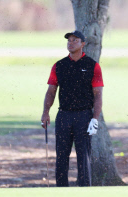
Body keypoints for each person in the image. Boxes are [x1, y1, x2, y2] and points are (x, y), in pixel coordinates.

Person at [40, 30, 104, 187]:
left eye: (75, 40)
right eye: (69, 40)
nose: (71, 43)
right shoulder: (59, 65)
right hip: (63, 115)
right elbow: (51, 91)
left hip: (84, 116)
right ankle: (62, 191)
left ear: (83, 44)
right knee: (61, 156)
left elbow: (98, 94)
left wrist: (95, 118)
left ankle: (84, 191)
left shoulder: (92, 66)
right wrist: (45, 112)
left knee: (84, 157)